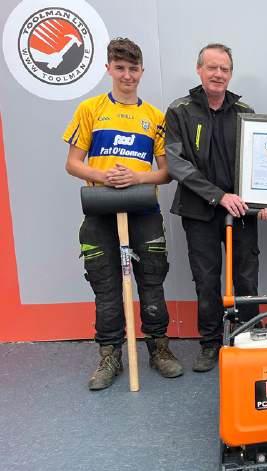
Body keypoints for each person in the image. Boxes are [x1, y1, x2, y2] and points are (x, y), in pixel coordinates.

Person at [64, 37, 183, 390]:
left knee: (152, 282)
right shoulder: (90, 109)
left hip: (143, 209)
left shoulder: (155, 117)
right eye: (120, 68)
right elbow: (72, 163)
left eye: (133, 69)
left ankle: (159, 349)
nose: (127, 75)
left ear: (142, 71)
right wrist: (103, 177)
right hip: (100, 209)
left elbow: (167, 172)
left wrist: (136, 178)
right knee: (105, 285)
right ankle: (110, 356)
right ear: (108, 69)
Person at [165, 43, 267, 373]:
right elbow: (176, 163)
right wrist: (218, 195)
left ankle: (249, 335)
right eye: (212, 67)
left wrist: (265, 201)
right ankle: (210, 343)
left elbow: (260, 164)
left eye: (224, 69)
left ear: (231, 73)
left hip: (241, 212)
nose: (218, 74)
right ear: (199, 70)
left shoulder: (245, 112)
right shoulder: (180, 111)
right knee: (206, 280)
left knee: (246, 277)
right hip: (199, 212)